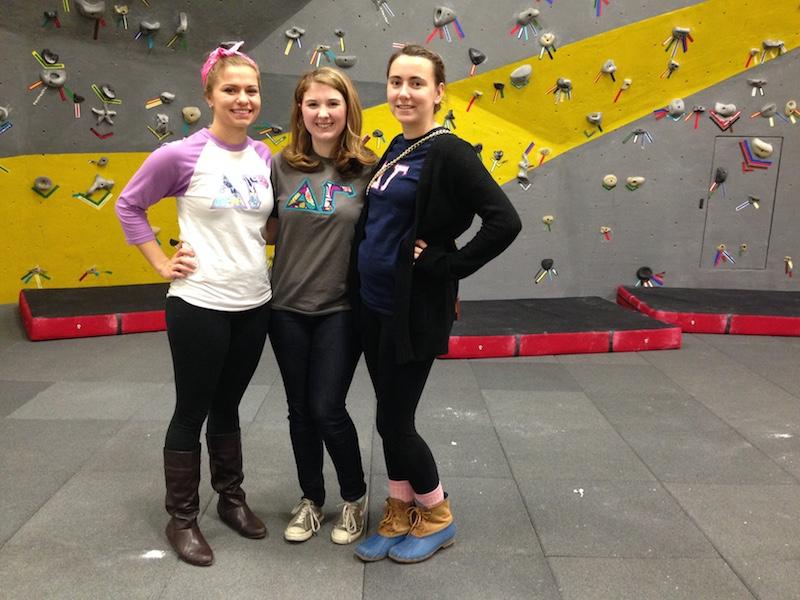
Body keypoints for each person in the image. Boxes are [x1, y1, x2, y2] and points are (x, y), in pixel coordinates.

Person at [352, 44, 522, 564]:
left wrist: (447, 266)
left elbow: (504, 221)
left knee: (394, 424)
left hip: (412, 310)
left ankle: (436, 511)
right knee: (388, 416)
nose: (404, 92)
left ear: (438, 92)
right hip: (374, 306)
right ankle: (400, 511)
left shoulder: (448, 151)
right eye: (396, 81)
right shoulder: (397, 148)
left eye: (416, 83)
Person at [115, 42, 272, 567]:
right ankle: (181, 517)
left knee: (228, 407)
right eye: (231, 89)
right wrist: (161, 263)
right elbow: (129, 205)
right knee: (192, 410)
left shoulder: (263, 155)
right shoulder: (180, 154)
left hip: (255, 301)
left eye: (251, 90)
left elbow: (264, 226)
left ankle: (231, 499)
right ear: (209, 95)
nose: (243, 99)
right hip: (200, 302)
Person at [266, 67, 376, 545]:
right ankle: (311, 499)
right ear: (300, 111)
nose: (323, 113)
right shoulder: (280, 165)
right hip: (286, 305)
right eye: (313, 104)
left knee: (327, 406)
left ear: (348, 108)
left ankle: (353, 498)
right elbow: (261, 224)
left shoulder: (370, 169)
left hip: (341, 308)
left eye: (332, 103)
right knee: (298, 409)